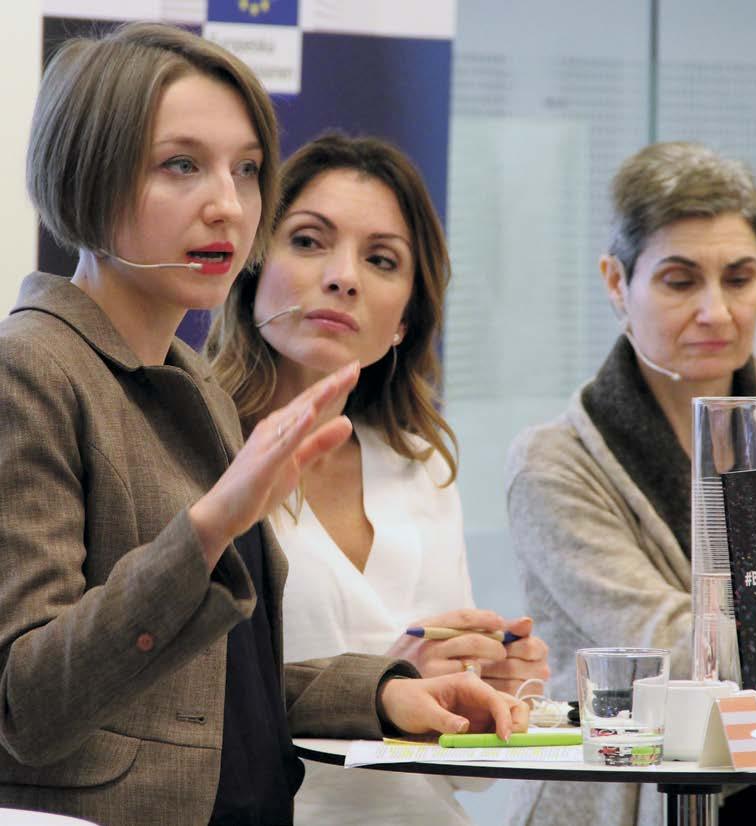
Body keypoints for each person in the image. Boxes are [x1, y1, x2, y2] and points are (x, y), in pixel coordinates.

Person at [0, 24, 526, 826]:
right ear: (87, 171)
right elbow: (25, 704)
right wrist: (209, 527)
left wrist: (386, 693)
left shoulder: (193, 388)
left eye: (246, 171)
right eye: (183, 165)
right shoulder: (31, 367)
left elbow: (210, 688)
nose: (229, 204)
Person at [504, 142, 756, 826]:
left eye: (739, 278)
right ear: (615, 283)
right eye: (681, 281)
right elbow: (675, 653)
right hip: (630, 805)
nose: (716, 311)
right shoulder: (555, 461)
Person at [206, 132, 550, 824]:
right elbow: (171, 704)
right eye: (308, 241)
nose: (344, 277)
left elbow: (464, 768)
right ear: (251, 265)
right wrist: (379, 684)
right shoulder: (191, 448)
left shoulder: (420, 464)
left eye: (381, 259)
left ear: (403, 320)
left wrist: (491, 690)